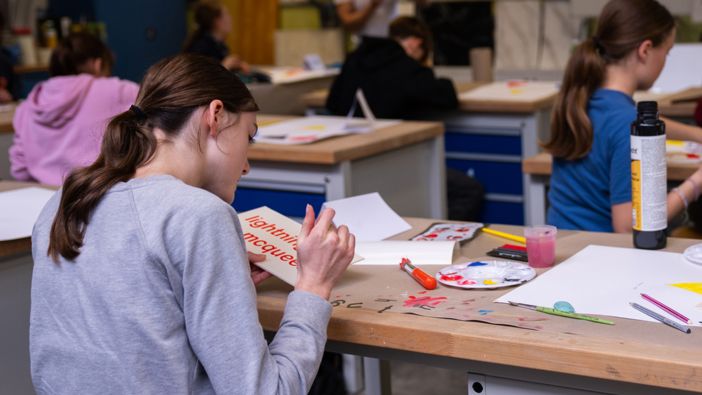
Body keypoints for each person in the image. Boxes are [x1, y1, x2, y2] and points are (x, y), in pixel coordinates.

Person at [29, 54, 355, 394]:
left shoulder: (66, 200)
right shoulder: (198, 214)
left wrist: (204, 275)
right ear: (215, 116)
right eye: (249, 137)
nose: (245, 166)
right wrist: (313, 287)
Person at [544, 0, 702, 233]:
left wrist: (696, 134)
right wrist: (696, 183)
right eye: (666, 52)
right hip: (603, 255)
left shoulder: (583, 99)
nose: (665, 61)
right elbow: (628, 227)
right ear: (645, 50)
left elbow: (624, 122)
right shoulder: (626, 124)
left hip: (566, 247)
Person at [9, 32, 138, 186]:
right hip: (96, 195)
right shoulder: (117, 91)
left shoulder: (28, 105)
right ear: (98, 64)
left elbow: (20, 169)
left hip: (43, 198)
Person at [326, 16, 457, 119]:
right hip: (389, 143)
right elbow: (448, 98)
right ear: (416, 43)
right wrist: (425, 68)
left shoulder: (355, 58)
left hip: (346, 135)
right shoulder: (407, 68)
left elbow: (332, 103)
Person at [184, 0, 250, 73]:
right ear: (217, 21)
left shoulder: (220, 45)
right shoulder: (200, 47)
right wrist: (225, 66)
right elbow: (201, 78)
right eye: (226, 15)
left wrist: (237, 66)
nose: (230, 18)